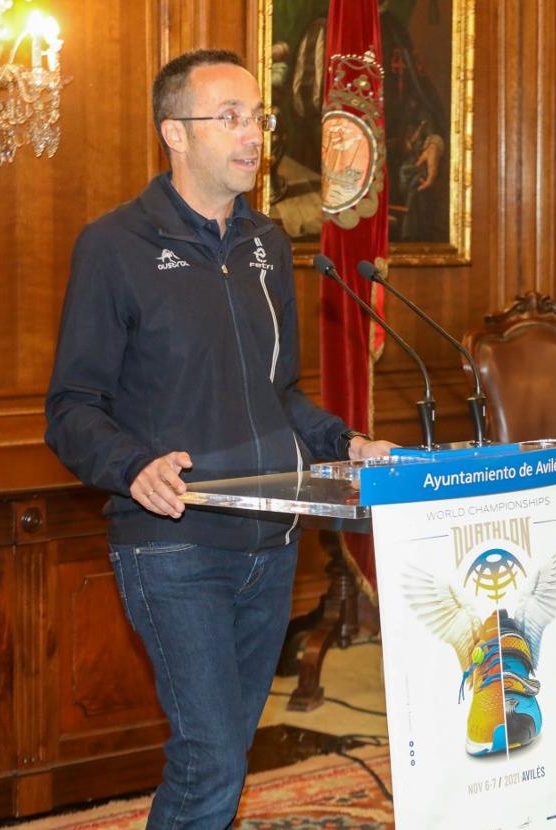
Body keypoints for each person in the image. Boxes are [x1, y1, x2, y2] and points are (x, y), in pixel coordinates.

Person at [44, 48, 394, 829]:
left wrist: (347, 441)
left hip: (270, 546)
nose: (254, 136)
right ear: (175, 132)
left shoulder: (268, 245)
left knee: (228, 755)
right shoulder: (115, 247)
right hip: (174, 543)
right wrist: (132, 467)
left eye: (260, 118)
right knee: (209, 759)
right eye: (230, 118)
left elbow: (279, 395)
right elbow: (71, 406)